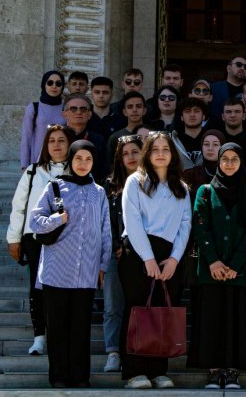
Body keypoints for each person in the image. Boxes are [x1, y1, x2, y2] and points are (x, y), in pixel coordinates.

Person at [30, 140, 111, 388]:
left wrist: (103, 265)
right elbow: (35, 221)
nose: (83, 164)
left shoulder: (99, 192)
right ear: (70, 160)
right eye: (78, 158)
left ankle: (80, 376)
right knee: (57, 327)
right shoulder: (55, 186)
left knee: (80, 327)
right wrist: (57, 219)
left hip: (86, 271)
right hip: (56, 270)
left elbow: (105, 230)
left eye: (88, 159)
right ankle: (59, 376)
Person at [119, 131, 192, 389]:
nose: (160, 153)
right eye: (155, 149)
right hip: (138, 253)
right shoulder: (135, 182)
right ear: (147, 153)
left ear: (173, 154)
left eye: (166, 149)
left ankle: (159, 370)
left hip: (170, 256)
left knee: (163, 311)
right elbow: (132, 221)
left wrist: (174, 259)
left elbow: (185, 225)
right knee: (137, 310)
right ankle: (134, 371)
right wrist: (148, 258)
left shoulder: (181, 188)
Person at [188, 143, 246, 389]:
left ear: (242, 163)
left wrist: (235, 263)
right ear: (218, 162)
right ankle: (213, 370)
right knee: (211, 319)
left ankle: (232, 371)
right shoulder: (205, 191)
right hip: (211, 270)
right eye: (225, 159)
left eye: (234, 159)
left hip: (240, 271)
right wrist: (213, 260)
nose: (229, 164)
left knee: (236, 320)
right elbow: (200, 226)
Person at [7, 124, 76, 356]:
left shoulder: (78, 170)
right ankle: (39, 337)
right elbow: (19, 206)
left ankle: (61, 335)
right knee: (37, 288)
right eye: (52, 141)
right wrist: (13, 239)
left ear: (70, 144)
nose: (56, 145)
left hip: (67, 238)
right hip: (35, 237)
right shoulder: (33, 172)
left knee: (64, 288)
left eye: (61, 140)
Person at [101, 134, 143, 373]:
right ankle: (113, 352)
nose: (130, 157)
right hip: (114, 252)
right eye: (125, 153)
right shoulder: (109, 185)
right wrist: (118, 245)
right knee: (113, 305)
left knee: (139, 304)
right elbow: (104, 220)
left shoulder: (150, 182)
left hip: (143, 253)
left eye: (135, 152)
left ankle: (138, 349)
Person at [20, 70, 67, 170]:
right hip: (38, 162)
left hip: (61, 161)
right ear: (44, 85)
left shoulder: (66, 108)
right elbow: (26, 137)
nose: (54, 86)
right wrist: (24, 165)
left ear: (62, 87)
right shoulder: (34, 108)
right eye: (50, 83)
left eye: (58, 83)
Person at [62, 93, 108, 183]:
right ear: (64, 114)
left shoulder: (99, 140)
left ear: (89, 114)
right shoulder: (56, 138)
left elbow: (104, 172)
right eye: (73, 109)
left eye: (83, 109)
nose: (78, 112)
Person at [105, 91, 147, 168]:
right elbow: (110, 165)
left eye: (138, 106)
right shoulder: (115, 138)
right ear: (124, 112)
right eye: (130, 107)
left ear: (144, 110)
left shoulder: (153, 135)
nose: (134, 110)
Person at [171, 97, 207, 169]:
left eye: (196, 111)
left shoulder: (212, 139)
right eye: (187, 111)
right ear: (181, 117)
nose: (192, 115)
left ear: (203, 116)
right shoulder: (172, 140)